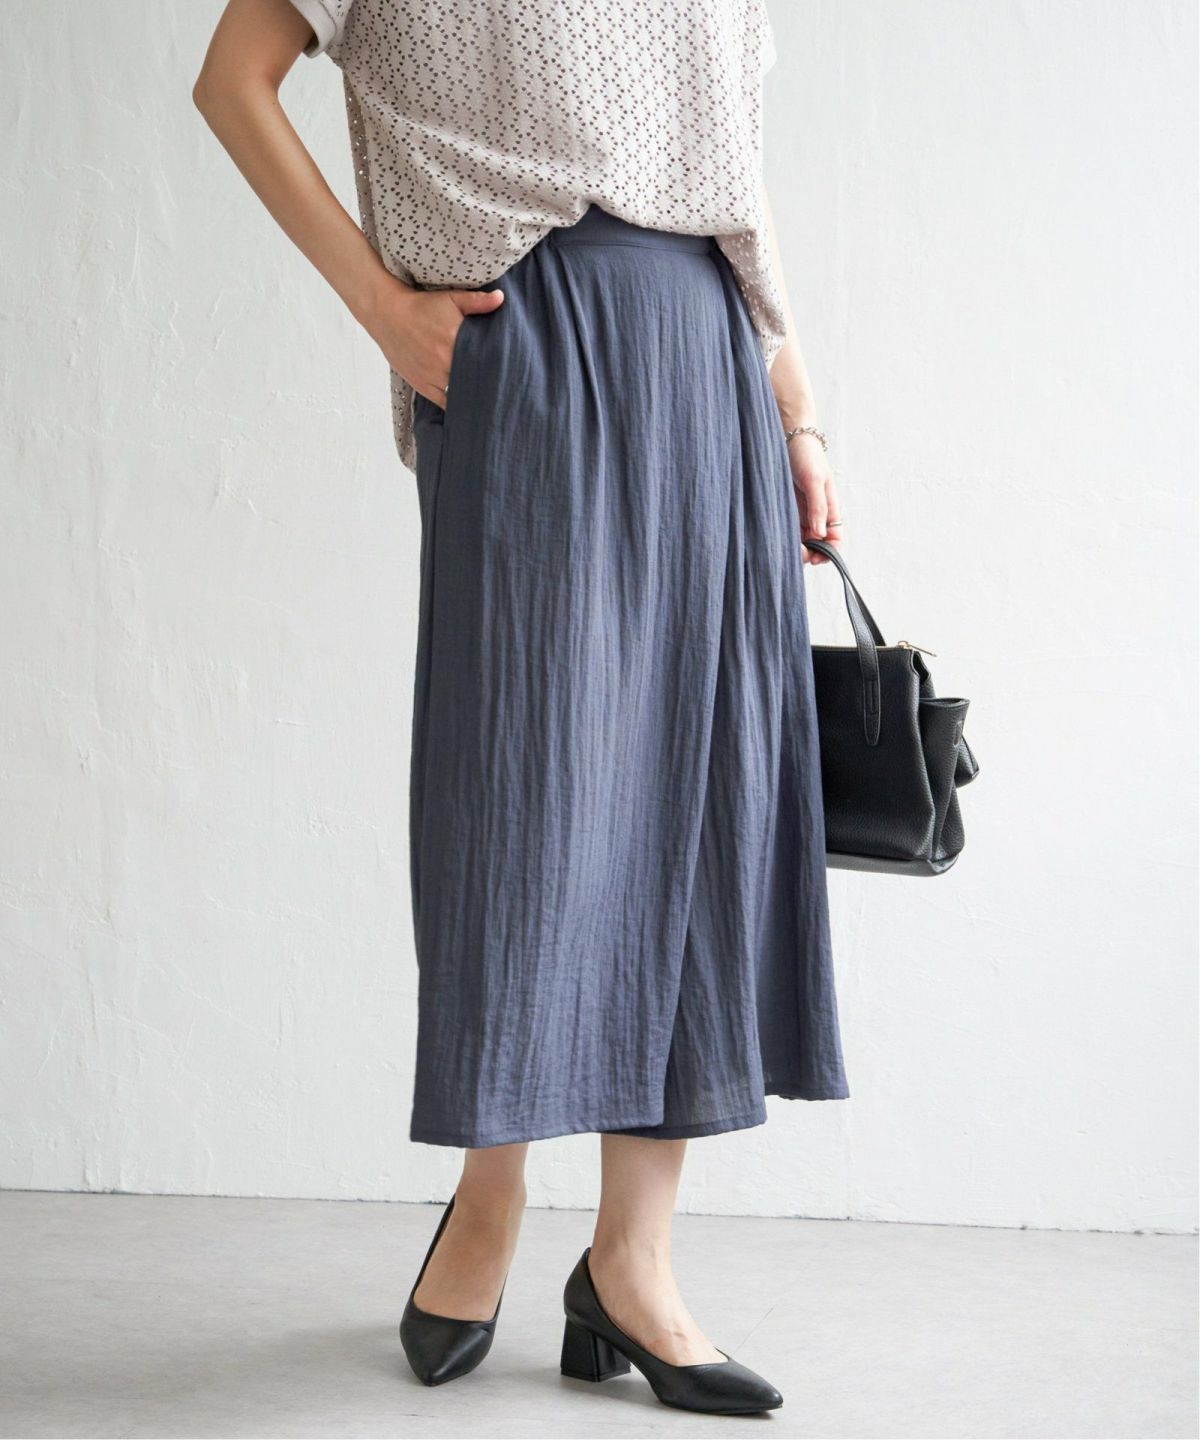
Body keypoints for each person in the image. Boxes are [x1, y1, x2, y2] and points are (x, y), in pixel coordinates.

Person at [194, 0, 849, 1415]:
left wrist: (795, 403)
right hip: (525, 346)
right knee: (522, 799)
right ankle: (489, 1194)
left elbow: (732, 175)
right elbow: (233, 81)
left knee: (697, 805)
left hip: (708, 356)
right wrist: (385, 311)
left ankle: (633, 1261)